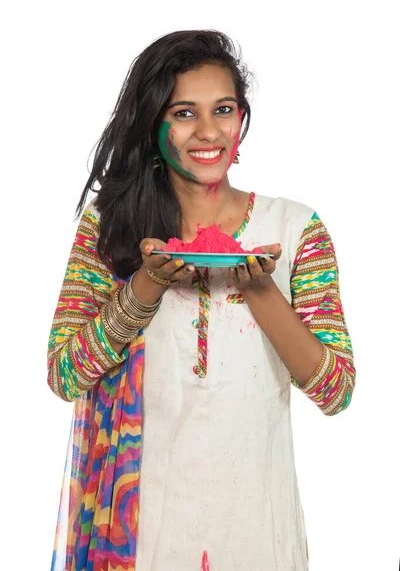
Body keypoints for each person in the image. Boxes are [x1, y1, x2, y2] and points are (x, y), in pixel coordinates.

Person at [47, 29, 355, 571]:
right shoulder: (114, 228)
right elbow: (65, 376)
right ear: (154, 124)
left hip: (258, 533)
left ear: (242, 120)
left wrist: (260, 289)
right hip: (141, 535)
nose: (209, 131)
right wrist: (145, 285)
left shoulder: (295, 229)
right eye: (184, 113)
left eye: (224, 109)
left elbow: (335, 391)